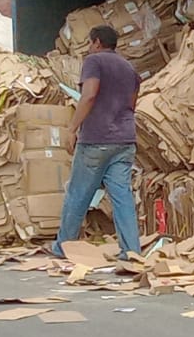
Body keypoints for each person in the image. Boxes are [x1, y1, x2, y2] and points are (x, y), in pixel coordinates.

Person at [51, 25, 141, 260]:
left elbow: (89, 94)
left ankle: (64, 247)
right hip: (125, 140)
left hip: (97, 139)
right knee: (122, 196)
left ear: (98, 42)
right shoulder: (129, 68)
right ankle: (131, 250)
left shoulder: (94, 61)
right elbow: (132, 103)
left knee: (78, 193)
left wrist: (72, 128)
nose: (90, 47)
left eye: (91, 43)